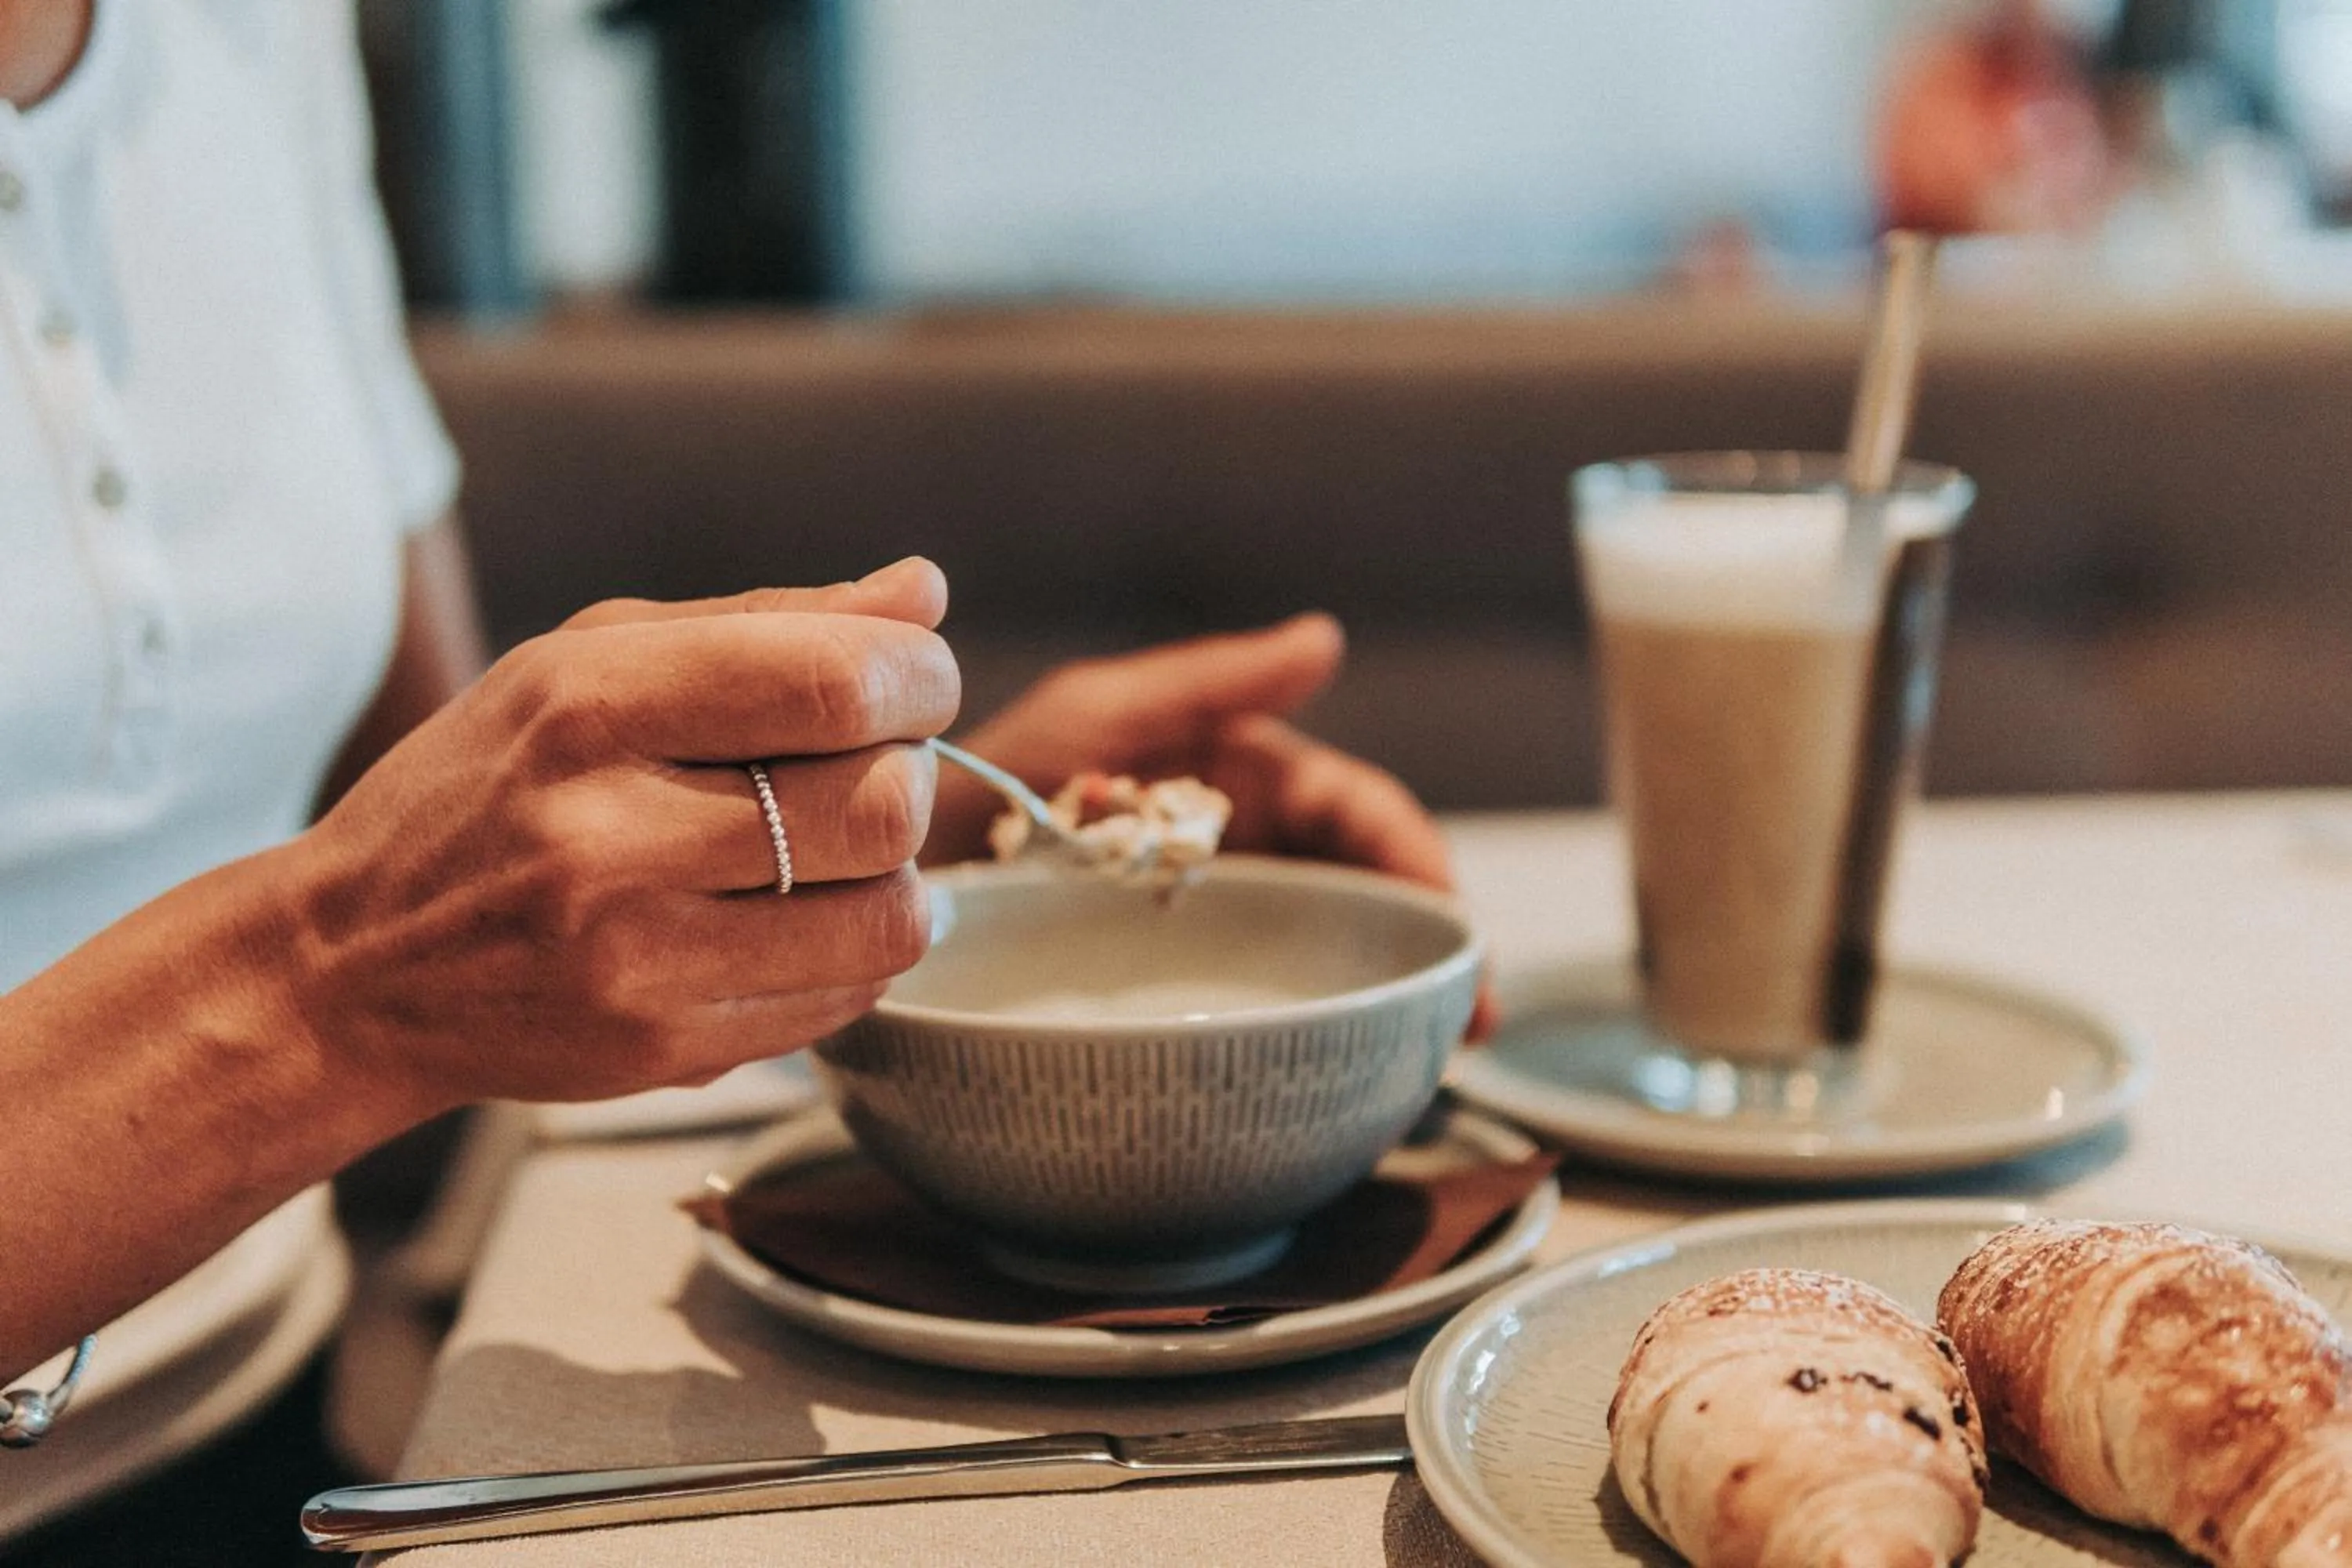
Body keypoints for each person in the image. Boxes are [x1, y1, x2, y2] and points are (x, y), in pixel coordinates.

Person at [0, 0, 1457, 1494]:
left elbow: (437, 842)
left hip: (269, 1419)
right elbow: (380, 940)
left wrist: (926, 859)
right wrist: (327, 990)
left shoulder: (255, 31)